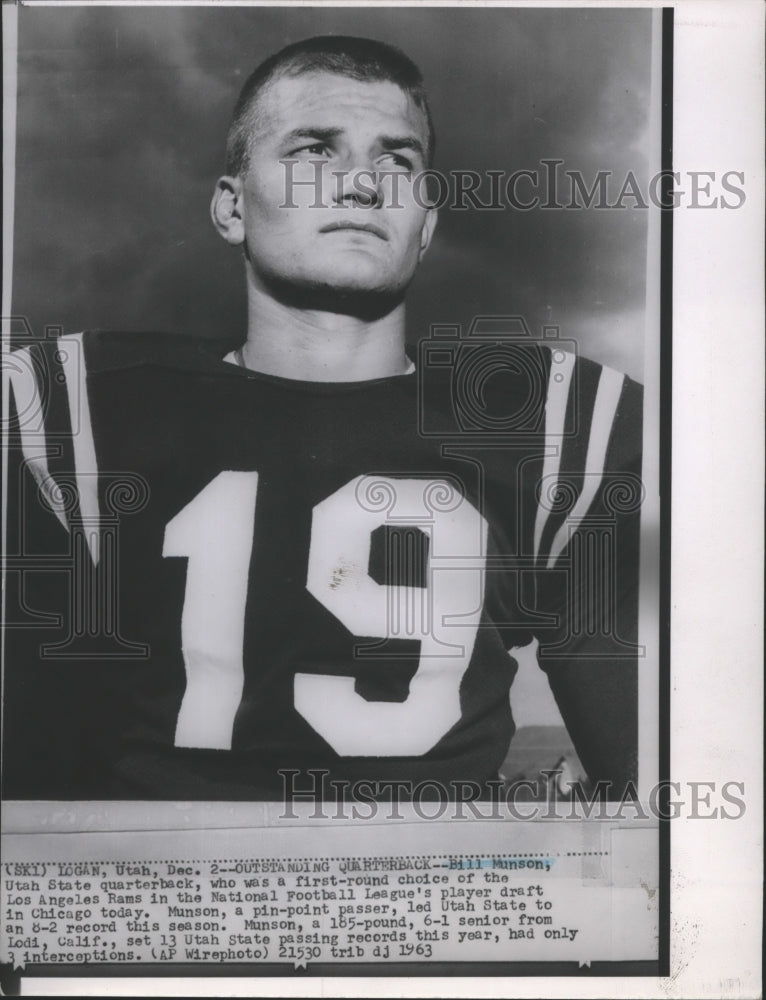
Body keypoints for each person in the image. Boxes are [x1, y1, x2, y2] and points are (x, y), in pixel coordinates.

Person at [4, 36, 642, 802]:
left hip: (438, 902)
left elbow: (656, 774)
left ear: (426, 225)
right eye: (314, 151)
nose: (362, 186)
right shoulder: (77, 409)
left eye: (397, 162)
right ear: (232, 206)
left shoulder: (551, 423)